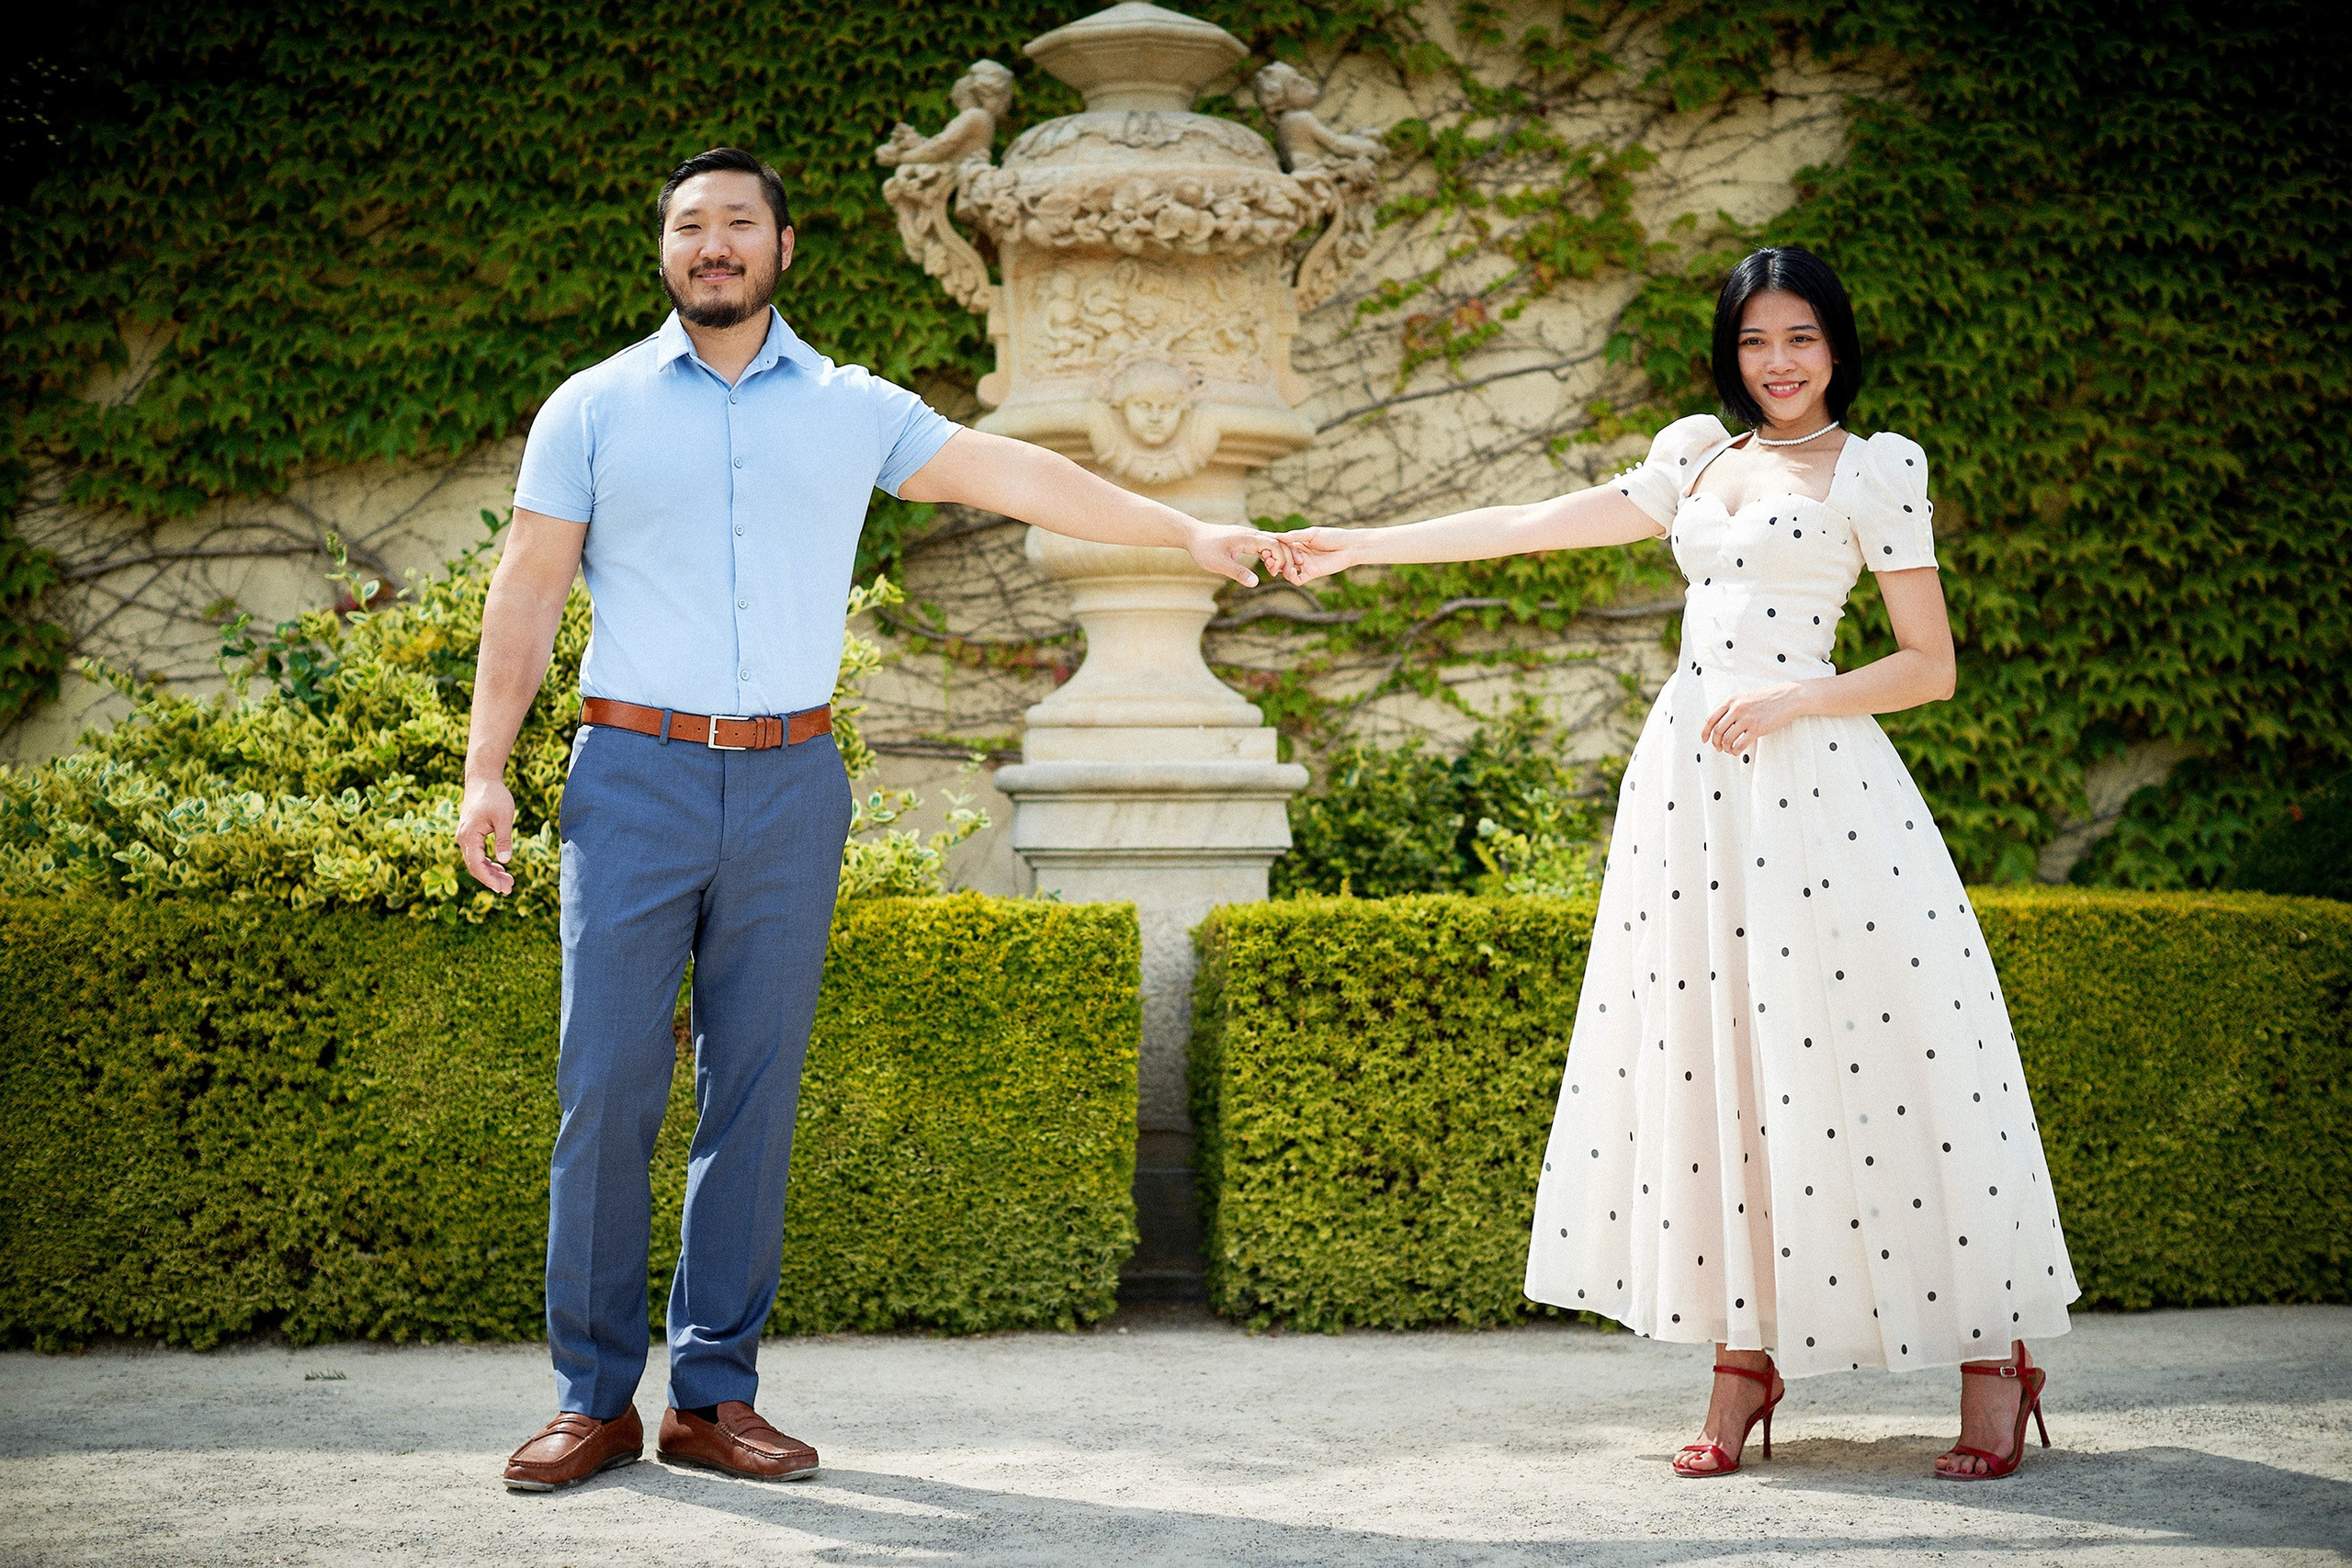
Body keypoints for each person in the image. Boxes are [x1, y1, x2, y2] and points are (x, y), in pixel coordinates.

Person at [460, 146, 1295, 1493]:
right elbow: (528, 583)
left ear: (783, 247)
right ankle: (591, 1401)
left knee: (754, 1092)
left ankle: (711, 1398)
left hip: (790, 782)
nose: (713, 243)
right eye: (689, 225)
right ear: (664, 252)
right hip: (633, 775)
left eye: (739, 222)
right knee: (606, 1085)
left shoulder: (856, 409)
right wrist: (485, 769)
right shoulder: (592, 408)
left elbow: (1021, 476)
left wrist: (1183, 532)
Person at [1272, 246, 2077, 1480]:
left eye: (1801, 338)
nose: (1778, 363)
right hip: (1692, 791)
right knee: (1719, 1057)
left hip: (1820, 789)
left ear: (1836, 345)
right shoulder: (1696, 456)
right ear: (1729, 353)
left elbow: (1930, 665)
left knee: (1886, 1049)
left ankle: (1991, 1358)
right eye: (1756, 341)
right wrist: (1360, 546)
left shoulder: (1877, 469)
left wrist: (1796, 699)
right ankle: (1743, 1359)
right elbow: (1532, 525)